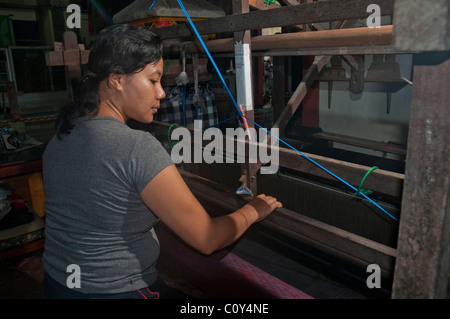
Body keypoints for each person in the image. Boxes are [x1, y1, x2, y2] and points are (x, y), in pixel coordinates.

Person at [42, 24, 282, 299]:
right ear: (117, 80)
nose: (162, 93)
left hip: (58, 285)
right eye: (153, 80)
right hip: (115, 292)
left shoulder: (62, 136)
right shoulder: (137, 147)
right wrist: (255, 210)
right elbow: (208, 238)